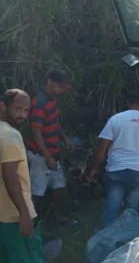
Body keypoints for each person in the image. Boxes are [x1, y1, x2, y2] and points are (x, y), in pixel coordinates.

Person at [87, 90, 139, 228]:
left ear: (127, 103)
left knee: (112, 206)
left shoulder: (116, 119)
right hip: (138, 172)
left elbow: (101, 148)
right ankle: (129, 239)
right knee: (132, 209)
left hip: (116, 170)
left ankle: (107, 240)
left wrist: (93, 168)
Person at [25, 69, 73, 226]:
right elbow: (36, 133)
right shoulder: (39, 103)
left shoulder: (51, 99)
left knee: (59, 186)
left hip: (53, 153)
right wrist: (48, 158)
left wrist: (64, 138)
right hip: (39, 156)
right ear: (50, 82)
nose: (62, 91)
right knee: (36, 191)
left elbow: (54, 122)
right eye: (61, 87)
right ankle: (35, 223)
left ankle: (55, 216)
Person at [0, 89, 43, 263]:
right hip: (14, 214)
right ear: (3, 106)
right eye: (18, 109)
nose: (22, 116)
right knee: (28, 257)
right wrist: (24, 213)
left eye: (26, 111)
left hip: (2, 214)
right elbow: (10, 175)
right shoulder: (10, 135)